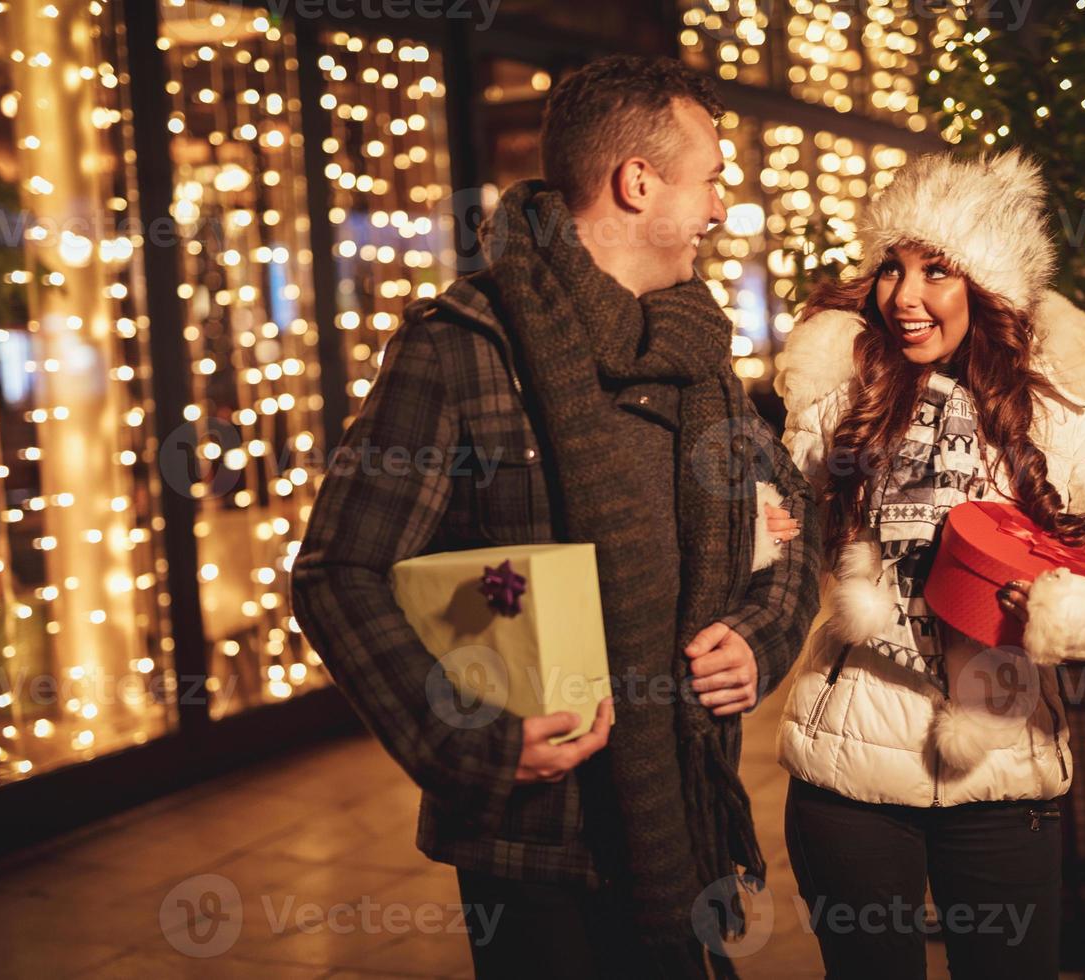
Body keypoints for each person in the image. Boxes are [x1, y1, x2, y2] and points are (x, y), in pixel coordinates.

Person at [292, 55, 821, 979]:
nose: (716, 211)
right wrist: (466, 739)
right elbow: (339, 573)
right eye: (709, 183)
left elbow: (783, 521)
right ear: (637, 182)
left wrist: (758, 636)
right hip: (538, 836)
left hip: (684, 810)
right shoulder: (463, 346)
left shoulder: (694, 349)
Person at [761, 149, 1085, 978]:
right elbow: (773, 535)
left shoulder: (1061, 411)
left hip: (1004, 779)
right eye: (892, 268)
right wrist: (755, 526)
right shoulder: (841, 396)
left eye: (937, 271)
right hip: (847, 775)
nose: (905, 297)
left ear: (989, 286)